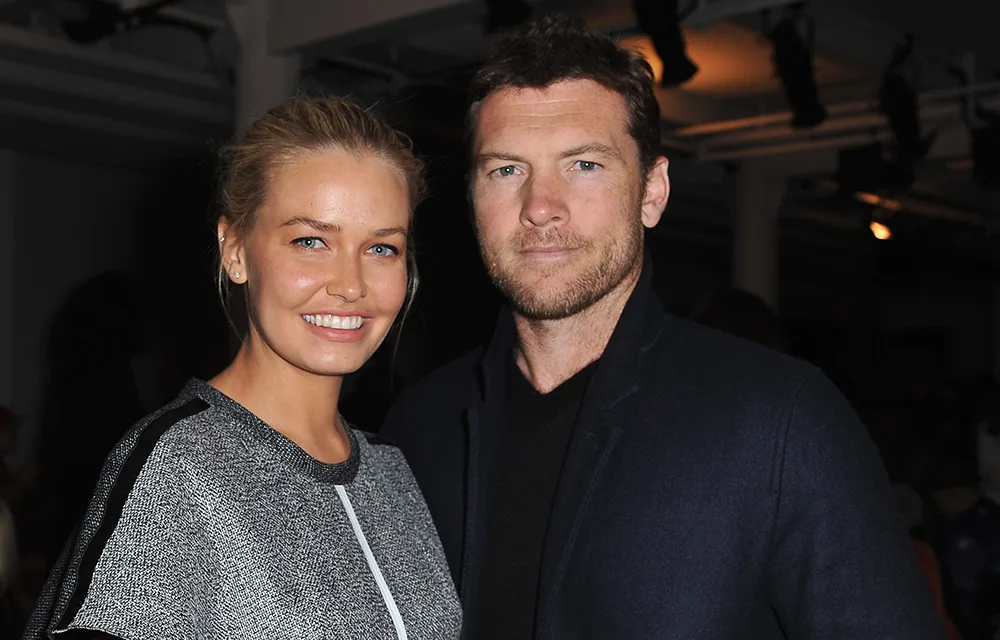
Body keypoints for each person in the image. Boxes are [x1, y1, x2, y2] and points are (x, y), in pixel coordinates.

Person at [381, 13, 944, 639]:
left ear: (652, 192)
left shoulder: (782, 422)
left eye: (584, 165)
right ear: (472, 198)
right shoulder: (418, 428)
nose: (540, 206)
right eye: (506, 169)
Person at [23, 97, 462, 640]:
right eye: (311, 241)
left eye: (381, 248)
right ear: (234, 251)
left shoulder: (389, 470)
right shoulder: (179, 467)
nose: (351, 285)